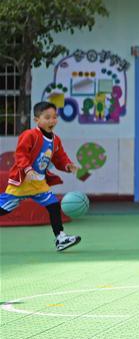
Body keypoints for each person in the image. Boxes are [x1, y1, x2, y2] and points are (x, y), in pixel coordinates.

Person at [1, 102, 80, 251]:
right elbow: (21, 154)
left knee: (53, 205)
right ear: (36, 119)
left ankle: (60, 238)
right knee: (4, 209)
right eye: (47, 117)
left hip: (39, 184)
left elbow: (60, 158)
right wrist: (27, 169)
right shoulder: (30, 135)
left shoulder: (55, 140)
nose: (52, 121)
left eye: (54, 117)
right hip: (23, 183)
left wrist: (67, 165)